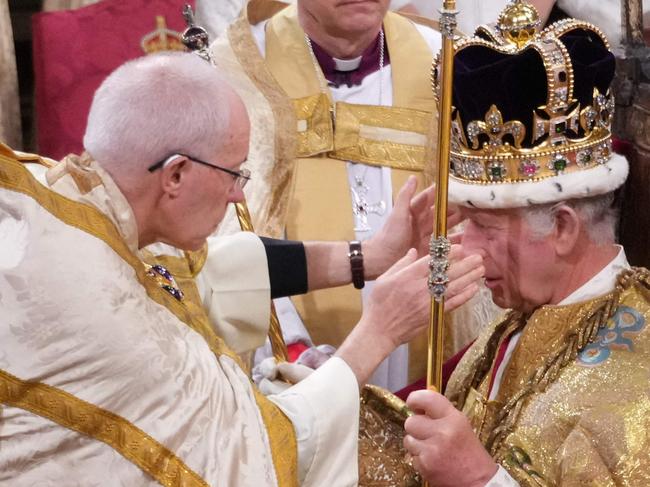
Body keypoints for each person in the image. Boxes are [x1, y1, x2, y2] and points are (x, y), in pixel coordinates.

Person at [0, 51, 484, 486]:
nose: (238, 195)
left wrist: (371, 256)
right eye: (234, 174)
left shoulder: (58, 199)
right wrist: (380, 329)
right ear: (175, 175)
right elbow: (260, 454)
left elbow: (207, 271)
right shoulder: (119, 325)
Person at [402, 3, 650, 486]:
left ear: (562, 227)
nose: (463, 246)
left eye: (484, 227)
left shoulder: (639, 371)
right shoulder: (509, 330)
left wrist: (479, 479)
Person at [206, 0, 499, 392]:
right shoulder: (238, 67)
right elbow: (228, 225)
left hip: (429, 350)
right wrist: (286, 343)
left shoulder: (446, 59)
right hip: (294, 353)